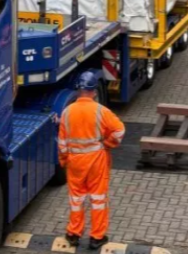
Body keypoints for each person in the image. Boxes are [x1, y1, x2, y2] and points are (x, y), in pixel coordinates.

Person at [59, 71, 125, 249]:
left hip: (75, 162)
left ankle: (73, 234)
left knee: (76, 199)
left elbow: (62, 143)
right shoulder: (101, 111)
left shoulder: (66, 112)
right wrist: (109, 144)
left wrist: (64, 160)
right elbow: (119, 131)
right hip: (96, 160)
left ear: (78, 90)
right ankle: (97, 237)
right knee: (98, 200)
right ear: (94, 91)